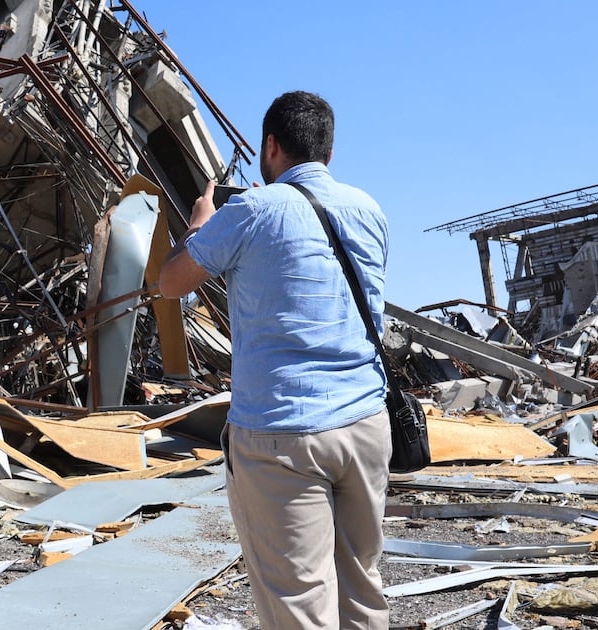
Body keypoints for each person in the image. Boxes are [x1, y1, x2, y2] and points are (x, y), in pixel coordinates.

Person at [159, 91, 391, 629]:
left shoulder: (251, 210)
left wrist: (199, 224)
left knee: (298, 601)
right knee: (361, 587)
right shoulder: (369, 209)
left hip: (282, 433)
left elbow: (171, 282)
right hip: (366, 424)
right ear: (328, 152)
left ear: (271, 146)